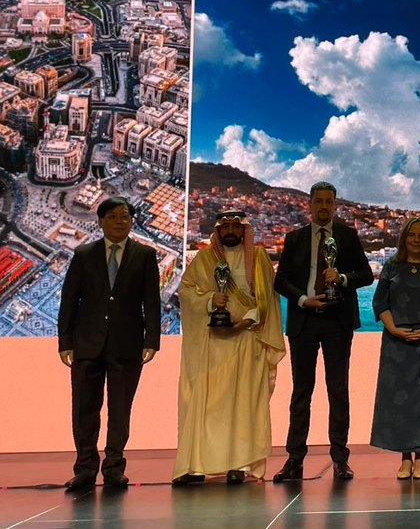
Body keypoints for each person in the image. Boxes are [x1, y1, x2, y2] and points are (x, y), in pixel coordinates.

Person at [172, 209, 285, 485]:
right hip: (212, 347)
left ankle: (240, 464)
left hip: (248, 340)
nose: (231, 230)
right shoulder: (204, 259)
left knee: (243, 405)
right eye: (226, 227)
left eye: (237, 226)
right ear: (219, 232)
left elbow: (268, 299)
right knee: (208, 405)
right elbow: (186, 292)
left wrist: (246, 321)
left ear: (244, 230)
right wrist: (212, 300)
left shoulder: (259, 259)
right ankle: (198, 465)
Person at [57, 196, 161, 491]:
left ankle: (114, 468)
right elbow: (69, 301)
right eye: (114, 217)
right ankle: (85, 468)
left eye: (125, 217)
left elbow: (151, 303)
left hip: (127, 346)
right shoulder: (84, 254)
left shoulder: (145, 255)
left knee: (120, 411)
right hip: (86, 345)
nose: (120, 222)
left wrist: (151, 339)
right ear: (100, 221)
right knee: (84, 410)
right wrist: (65, 342)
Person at [272, 181, 373, 482]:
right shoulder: (295, 238)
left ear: (336, 205)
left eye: (329, 202)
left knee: (338, 391)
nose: (324, 207)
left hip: (337, 322)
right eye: (319, 202)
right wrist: (303, 299)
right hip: (304, 320)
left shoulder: (348, 236)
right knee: (301, 392)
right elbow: (281, 281)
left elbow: (366, 274)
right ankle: (294, 460)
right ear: (310, 204)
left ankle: (340, 460)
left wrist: (341, 278)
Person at [370, 217, 420, 480]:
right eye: (411, 235)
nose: (416, 240)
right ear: (404, 238)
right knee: (398, 405)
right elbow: (380, 303)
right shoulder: (391, 268)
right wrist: (394, 329)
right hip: (397, 344)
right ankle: (404, 458)